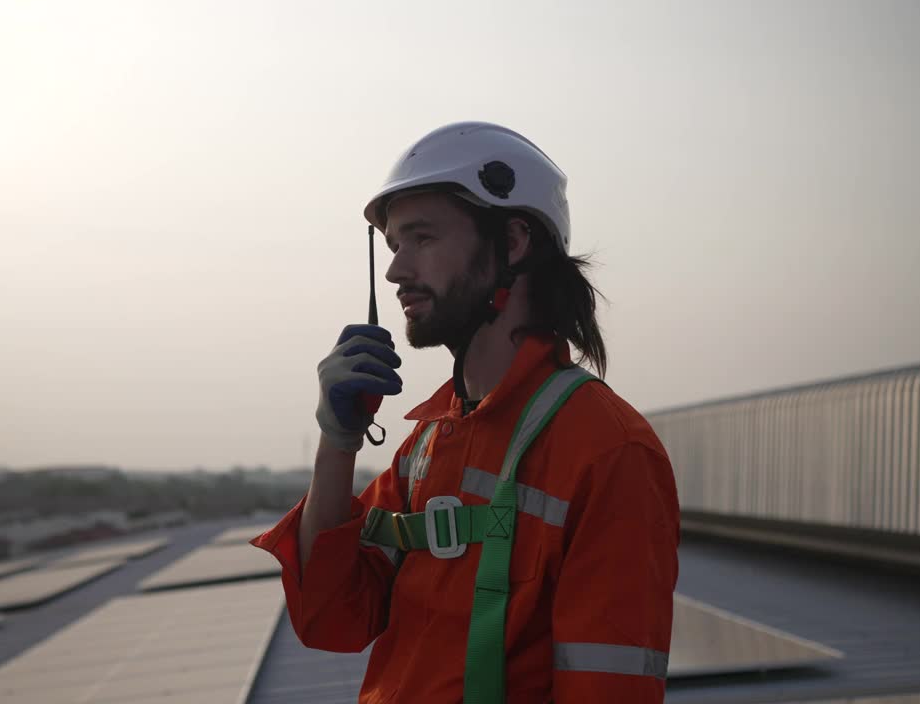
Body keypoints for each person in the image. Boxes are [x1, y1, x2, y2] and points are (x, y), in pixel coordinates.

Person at [252, 121, 680, 703]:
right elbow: (333, 617)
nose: (396, 270)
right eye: (394, 245)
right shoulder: (430, 443)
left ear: (514, 242)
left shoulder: (608, 450)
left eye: (421, 239)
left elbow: (610, 688)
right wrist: (337, 440)